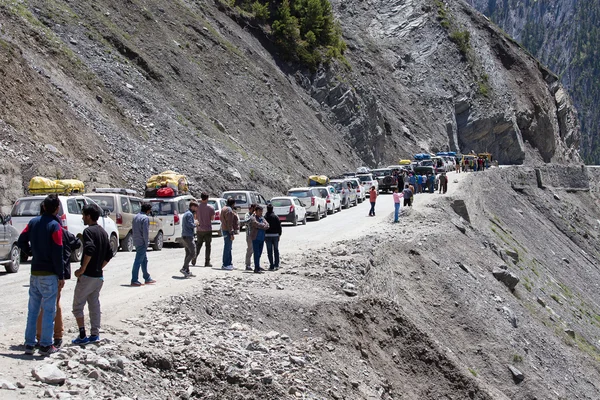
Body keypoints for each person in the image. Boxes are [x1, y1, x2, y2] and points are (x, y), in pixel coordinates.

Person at [18, 195, 64, 356]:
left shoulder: (32, 223)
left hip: (35, 271)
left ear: (43, 206)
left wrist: (31, 253)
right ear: (57, 208)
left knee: (33, 310)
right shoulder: (55, 226)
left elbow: (21, 240)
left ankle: (29, 344)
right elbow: (58, 251)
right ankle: (46, 344)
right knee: (49, 310)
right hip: (49, 273)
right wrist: (61, 275)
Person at [35, 202, 81, 349]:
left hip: (47, 271)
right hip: (58, 272)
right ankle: (57, 335)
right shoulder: (59, 228)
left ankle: (42, 336)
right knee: (55, 302)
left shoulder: (44, 227)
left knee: (45, 304)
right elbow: (76, 243)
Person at [72, 204, 113, 345]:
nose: (83, 217)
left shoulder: (88, 231)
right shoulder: (103, 232)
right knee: (94, 304)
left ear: (89, 216)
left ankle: (82, 335)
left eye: (84, 215)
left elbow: (89, 249)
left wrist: (82, 269)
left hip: (88, 276)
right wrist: (99, 267)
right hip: (98, 276)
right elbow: (110, 253)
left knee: (77, 306)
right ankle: (95, 334)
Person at [130, 203, 156, 286]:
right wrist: (146, 242)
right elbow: (145, 232)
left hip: (136, 241)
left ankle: (147, 277)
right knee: (138, 261)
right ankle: (134, 280)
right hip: (142, 242)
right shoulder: (145, 218)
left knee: (144, 260)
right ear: (148, 210)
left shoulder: (136, 216)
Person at [193, 193, 215, 268]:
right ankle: (207, 262)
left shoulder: (197, 207)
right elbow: (212, 218)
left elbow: (195, 217)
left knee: (198, 245)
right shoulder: (210, 208)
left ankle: (194, 258)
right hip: (208, 229)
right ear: (207, 198)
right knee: (208, 246)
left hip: (199, 229)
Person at [248, 205, 269, 273]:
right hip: (255, 238)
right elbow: (256, 224)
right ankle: (256, 268)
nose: (261, 213)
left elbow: (267, 225)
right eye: (259, 211)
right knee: (256, 253)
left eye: (261, 211)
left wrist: (263, 225)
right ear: (256, 211)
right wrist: (263, 225)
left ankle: (258, 265)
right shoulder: (253, 218)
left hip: (262, 238)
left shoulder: (262, 218)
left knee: (259, 253)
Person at [180, 201, 198, 278]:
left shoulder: (186, 213)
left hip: (185, 235)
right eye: (196, 207)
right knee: (193, 253)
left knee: (188, 253)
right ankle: (184, 268)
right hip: (188, 236)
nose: (197, 209)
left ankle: (187, 270)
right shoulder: (189, 214)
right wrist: (196, 224)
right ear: (192, 207)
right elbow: (190, 224)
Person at [220, 197, 237, 270]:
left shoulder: (223, 208)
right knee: (227, 247)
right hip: (227, 230)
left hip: (224, 229)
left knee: (228, 247)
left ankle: (229, 263)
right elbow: (229, 223)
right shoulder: (229, 210)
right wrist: (232, 233)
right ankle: (226, 264)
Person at [264, 204, 282, 270]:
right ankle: (276, 265)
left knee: (269, 251)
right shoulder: (276, 217)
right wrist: (279, 235)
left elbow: (263, 228)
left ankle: (271, 265)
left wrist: (264, 236)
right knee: (276, 250)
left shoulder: (265, 217)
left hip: (267, 236)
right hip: (275, 236)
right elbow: (279, 227)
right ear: (272, 209)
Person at [242, 204, 257, 271]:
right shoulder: (247, 215)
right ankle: (247, 265)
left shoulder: (257, 215)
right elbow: (246, 221)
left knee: (256, 250)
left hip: (256, 234)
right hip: (249, 235)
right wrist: (252, 216)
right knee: (250, 250)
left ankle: (257, 264)